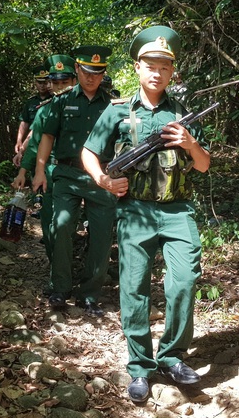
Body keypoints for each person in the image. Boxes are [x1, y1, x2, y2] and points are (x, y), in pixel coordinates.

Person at [81, 26, 210, 403]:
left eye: (164, 67)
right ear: (137, 68)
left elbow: (203, 166)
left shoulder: (183, 113)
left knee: (183, 282)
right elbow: (89, 152)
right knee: (134, 288)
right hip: (134, 212)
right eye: (149, 65)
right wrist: (104, 179)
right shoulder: (117, 110)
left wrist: (190, 142)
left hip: (177, 211)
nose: (157, 72)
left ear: (173, 73)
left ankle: (171, 356)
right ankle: (139, 367)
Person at [31, 46, 117, 317]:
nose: (92, 78)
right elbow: (47, 137)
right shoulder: (61, 101)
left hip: (102, 178)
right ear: (77, 70)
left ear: (103, 74)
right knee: (63, 226)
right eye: (87, 72)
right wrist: (39, 171)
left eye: (98, 73)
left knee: (102, 236)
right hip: (67, 175)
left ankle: (90, 294)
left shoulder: (113, 105)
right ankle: (60, 287)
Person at [12, 55, 77, 264]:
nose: (59, 88)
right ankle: (57, 275)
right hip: (50, 172)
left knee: (67, 225)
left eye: (64, 82)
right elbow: (35, 145)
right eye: (55, 83)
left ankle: (70, 271)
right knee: (50, 224)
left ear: (74, 81)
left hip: (79, 174)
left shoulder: (87, 108)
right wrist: (23, 172)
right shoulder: (45, 110)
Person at [14, 63, 51, 156]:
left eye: (45, 82)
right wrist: (19, 140)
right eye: (40, 82)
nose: (42, 86)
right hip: (31, 142)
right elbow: (24, 122)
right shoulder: (30, 102)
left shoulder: (55, 99)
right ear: (35, 83)